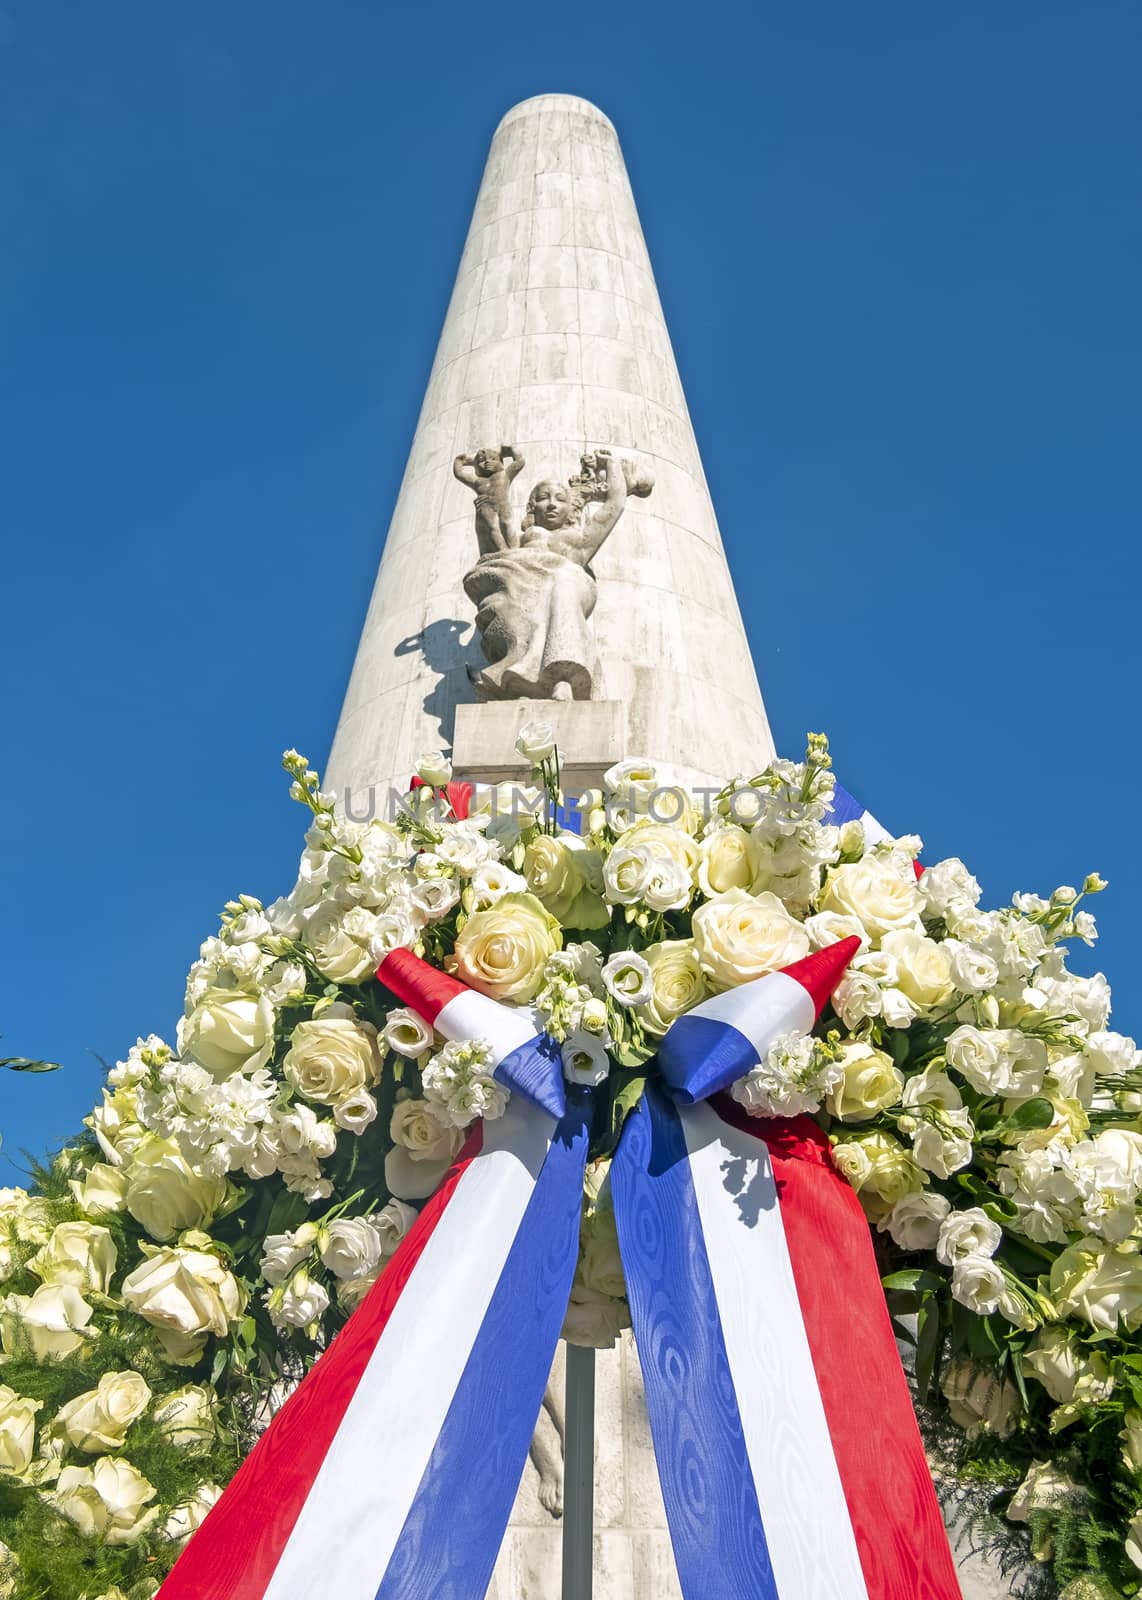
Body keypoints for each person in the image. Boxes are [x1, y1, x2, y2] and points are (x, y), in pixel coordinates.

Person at [460, 450, 648, 700]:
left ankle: (562, 678)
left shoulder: (578, 541)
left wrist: (610, 464)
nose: (551, 504)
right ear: (531, 507)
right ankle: (519, 679)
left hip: (567, 582)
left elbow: (615, 504)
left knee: (561, 586)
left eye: (560, 499)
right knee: (520, 601)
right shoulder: (522, 540)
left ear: (570, 508)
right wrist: (488, 505)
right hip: (521, 580)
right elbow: (500, 533)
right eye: (543, 499)